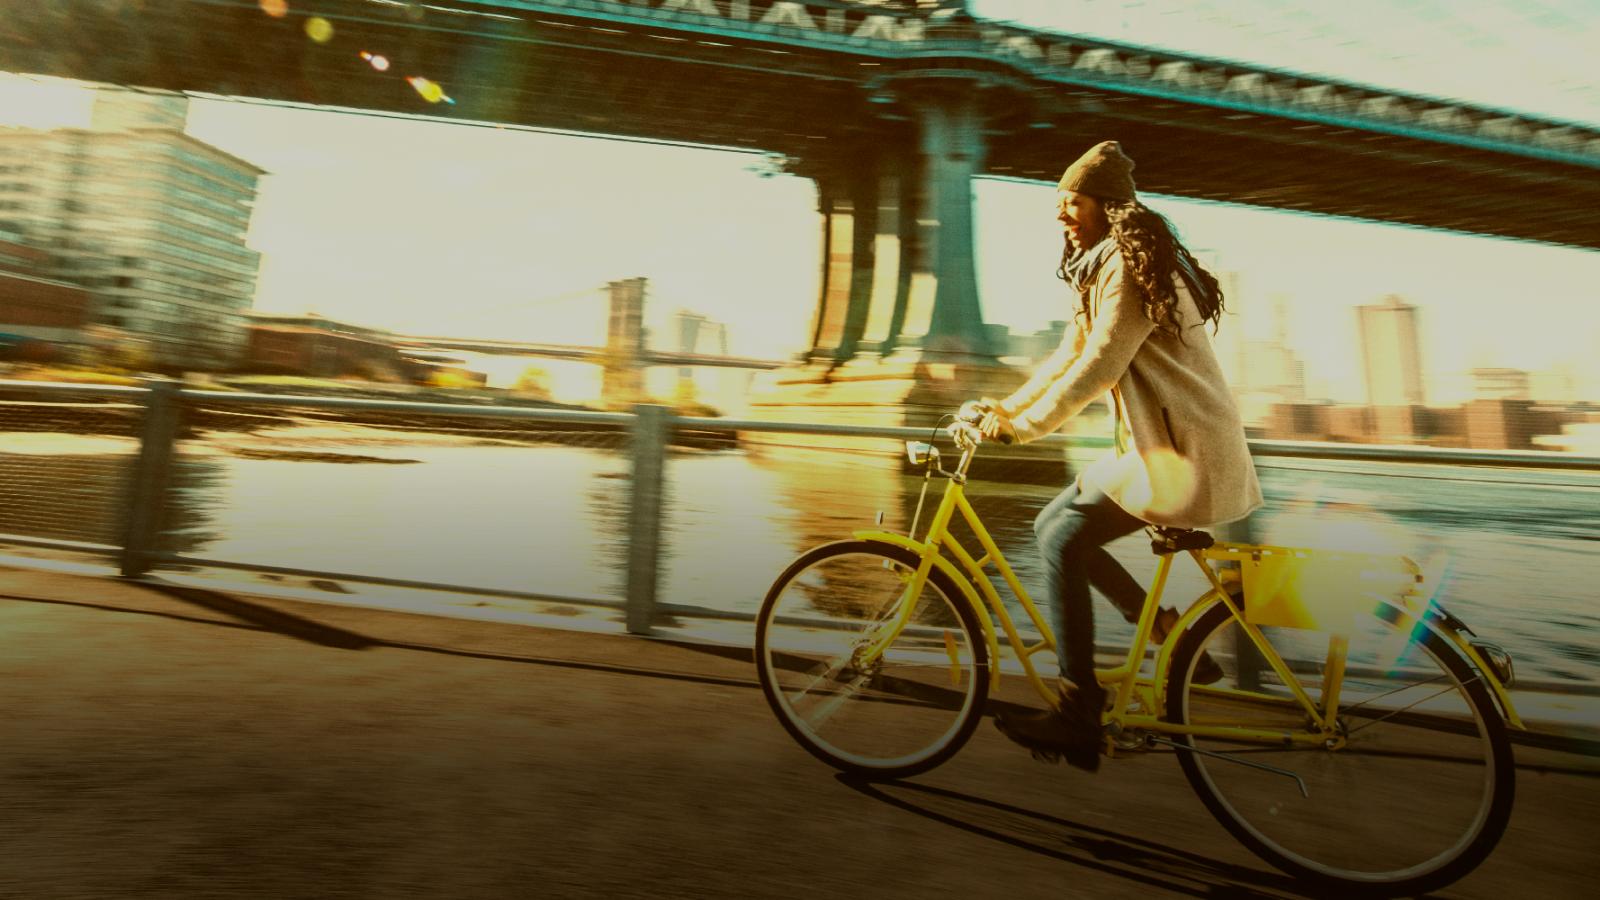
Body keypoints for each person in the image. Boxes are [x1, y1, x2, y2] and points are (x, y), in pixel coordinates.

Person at [964, 140, 1262, 771]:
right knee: (1053, 528)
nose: (1060, 215)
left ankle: (1078, 711)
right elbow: (1066, 357)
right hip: (1168, 449)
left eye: (1071, 202)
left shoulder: (1126, 268)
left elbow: (1100, 365)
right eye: (1060, 203)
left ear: (1106, 206)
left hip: (1184, 455)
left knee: (1062, 540)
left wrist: (1025, 430)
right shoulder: (1103, 268)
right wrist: (1004, 411)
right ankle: (1172, 640)